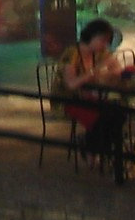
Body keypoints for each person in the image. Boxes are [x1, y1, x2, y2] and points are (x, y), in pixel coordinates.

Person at [55, 18, 129, 156]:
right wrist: (94, 72)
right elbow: (71, 85)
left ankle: (95, 147)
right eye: (102, 40)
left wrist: (110, 71)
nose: (105, 45)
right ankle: (95, 147)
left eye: (107, 41)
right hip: (70, 99)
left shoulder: (100, 53)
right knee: (106, 115)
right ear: (91, 36)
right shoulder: (72, 54)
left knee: (119, 112)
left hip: (93, 96)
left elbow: (118, 70)